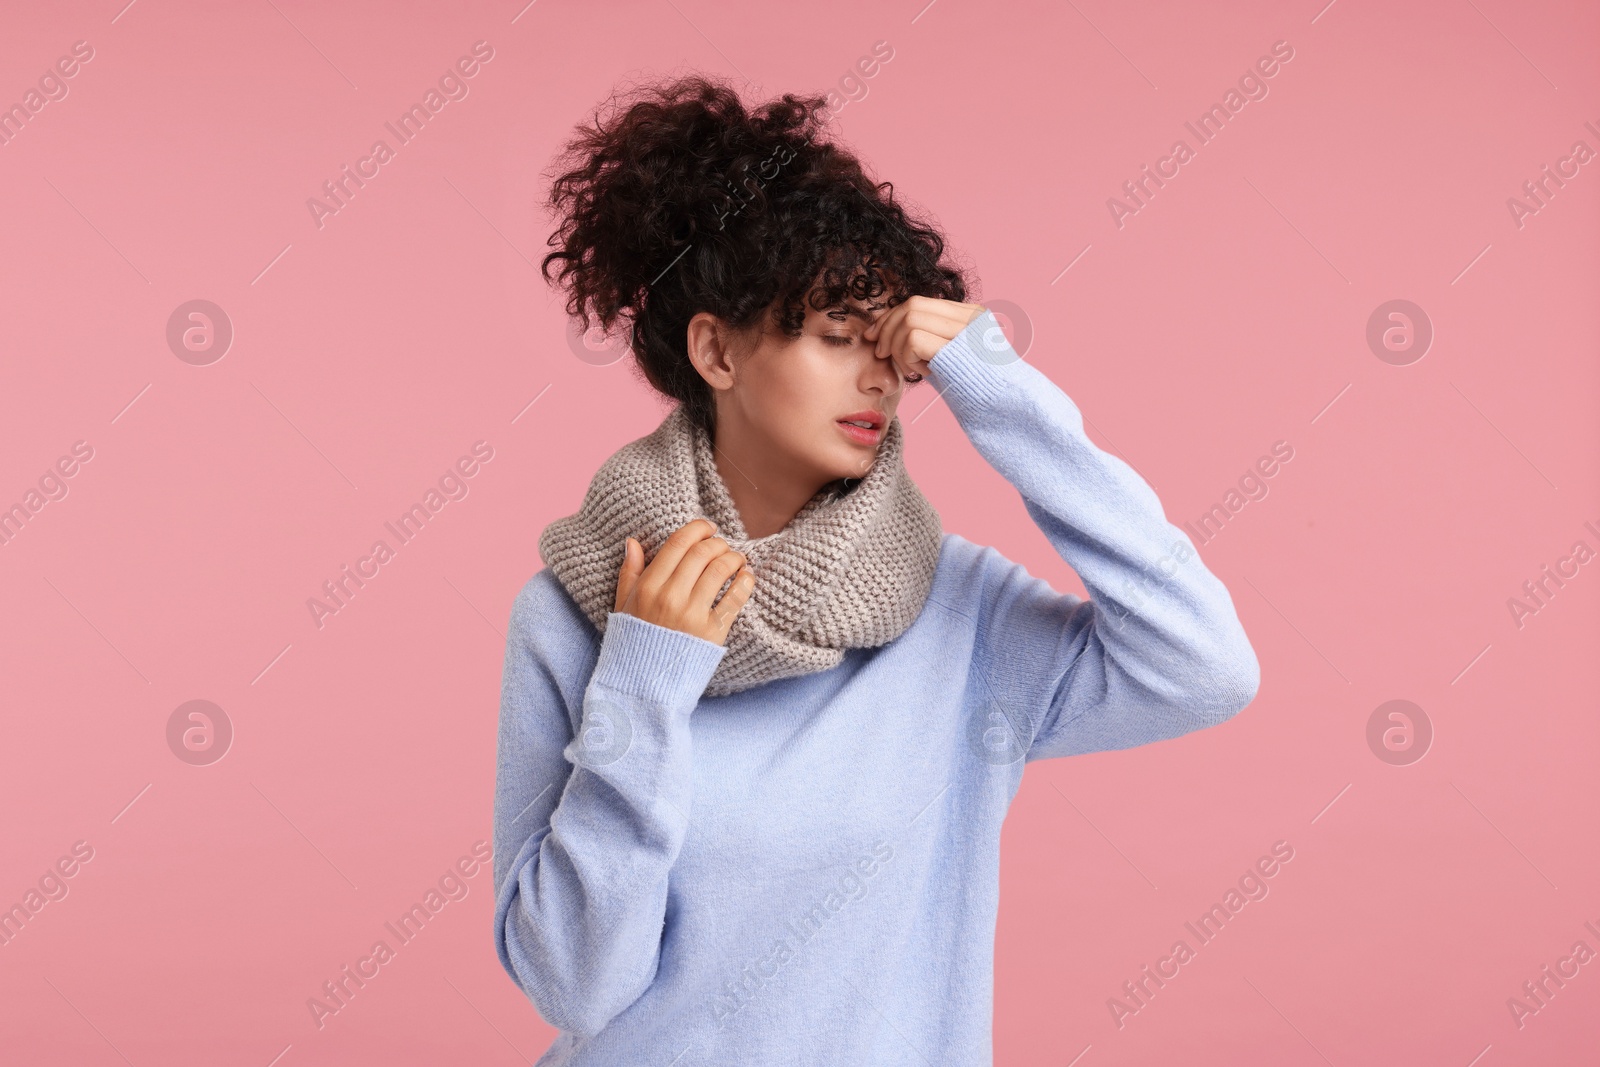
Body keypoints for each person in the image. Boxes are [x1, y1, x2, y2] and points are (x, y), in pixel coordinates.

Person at [492, 73, 1260, 1065]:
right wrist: (645, 681)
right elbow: (574, 985)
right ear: (716, 351)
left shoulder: (959, 614)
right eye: (833, 336)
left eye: (888, 345)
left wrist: (1003, 392)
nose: (877, 377)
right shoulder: (571, 614)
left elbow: (1205, 666)